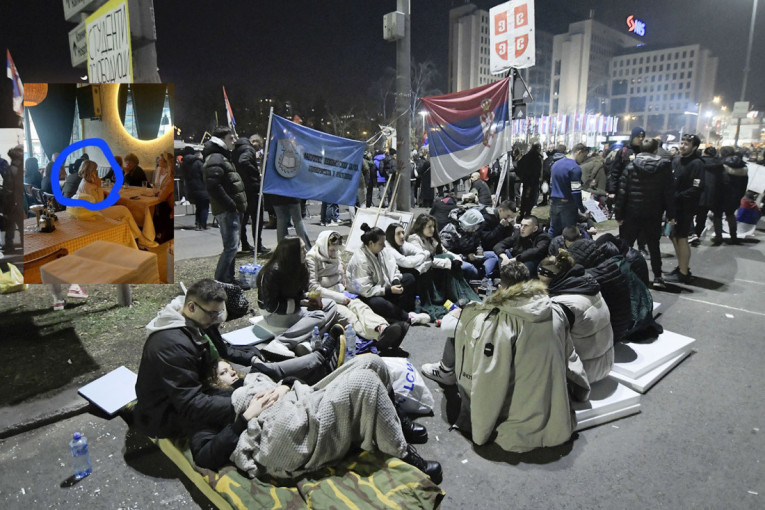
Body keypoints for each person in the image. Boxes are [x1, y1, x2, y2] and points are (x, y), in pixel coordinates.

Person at [134, 278, 344, 445]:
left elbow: (219, 357)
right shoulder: (171, 345)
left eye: (219, 314)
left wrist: (249, 373)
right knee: (261, 409)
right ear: (191, 306)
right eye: (213, 314)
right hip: (166, 415)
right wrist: (244, 404)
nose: (217, 319)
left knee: (262, 384)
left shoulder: (196, 320)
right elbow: (191, 405)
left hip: (203, 388)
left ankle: (318, 369)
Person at [192, 354, 441, 484]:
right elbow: (204, 455)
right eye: (224, 373)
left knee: (371, 362)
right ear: (213, 384)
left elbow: (287, 379)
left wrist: (285, 387)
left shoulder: (252, 379)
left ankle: (398, 422)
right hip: (293, 430)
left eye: (230, 367)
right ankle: (404, 454)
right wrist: (246, 417)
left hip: (303, 400)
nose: (231, 372)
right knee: (364, 383)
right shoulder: (214, 407)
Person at [450, 260, 588, 451]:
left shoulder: (501, 321)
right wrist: (582, 390)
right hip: (558, 415)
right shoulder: (555, 310)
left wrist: (479, 433)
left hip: (520, 424)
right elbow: (570, 356)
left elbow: (490, 378)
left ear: (501, 287)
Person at [420, 260, 531, 385]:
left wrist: (459, 315)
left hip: (490, 377)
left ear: (501, 287)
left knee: (458, 332)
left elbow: (447, 327)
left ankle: (445, 371)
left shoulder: (489, 313)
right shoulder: (540, 309)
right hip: (524, 375)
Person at [306, 230, 408, 352]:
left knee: (361, 308)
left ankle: (382, 328)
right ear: (323, 246)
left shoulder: (335, 254)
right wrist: (339, 298)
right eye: (332, 250)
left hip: (340, 292)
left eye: (336, 250)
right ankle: (377, 337)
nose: (334, 253)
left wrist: (342, 277)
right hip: (326, 298)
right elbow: (314, 287)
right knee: (349, 317)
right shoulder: (312, 258)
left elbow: (339, 271)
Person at [537, 250, 614, 384]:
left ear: (555, 279)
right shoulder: (587, 285)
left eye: (543, 281)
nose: (540, 285)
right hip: (607, 363)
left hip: (584, 374)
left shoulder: (562, 304)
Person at [256, 237, 338, 355]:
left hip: (292, 307)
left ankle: (306, 340)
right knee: (319, 315)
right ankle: (281, 342)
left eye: (305, 248)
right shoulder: (272, 272)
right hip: (274, 314)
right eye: (301, 249)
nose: (306, 251)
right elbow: (271, 306)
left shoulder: (301, 266)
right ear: (291, 252)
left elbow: (299, 293)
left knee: (331, 304)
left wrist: (308, 299)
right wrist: (299, 304)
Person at [613, 138, 675, 288]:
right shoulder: (664, 168)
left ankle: (622, 275)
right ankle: (658, 276)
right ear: (656, 150)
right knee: (654, 246)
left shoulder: (631, 166)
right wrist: (671, 215)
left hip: (631, 212)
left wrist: (618, 214)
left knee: (626, 245)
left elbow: (622, 192)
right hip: (653, 213)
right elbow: (669, 193)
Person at [346, 223, 429, 325]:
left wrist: (395, 281)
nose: (384, 245)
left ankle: (396, 312)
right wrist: (388, 290)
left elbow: (393, 268)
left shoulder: (382, 250)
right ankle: (407, 317)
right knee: (376, 302)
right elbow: (365, 290)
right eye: (381, 243)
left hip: (383, 287)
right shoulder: (360, 260)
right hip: (367, 295)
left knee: (409, 278)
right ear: (371, 243)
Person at [76, 161, 159, 249]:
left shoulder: (84, 182)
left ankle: (136, 241)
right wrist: (99, 187)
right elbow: (101, 204)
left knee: (125, 217)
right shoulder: (88, 186)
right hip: (96, 213)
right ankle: (142, 240)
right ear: (91, 171)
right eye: (95, 170)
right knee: (124, 210)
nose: (96, 171)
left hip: (90, 211)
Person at [203, 126, 248, 284]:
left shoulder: (221, 156)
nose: (234, 141)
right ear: (221, 140)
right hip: (227, 210)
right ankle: (220, 281)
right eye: (231, 138)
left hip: (231, 210)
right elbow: (213, 185)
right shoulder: (216, 157)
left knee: (233, 247)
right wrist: (230, 204)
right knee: (231, 247)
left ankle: (228, 279)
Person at [667, 134, 704, 283]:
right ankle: (681, 267)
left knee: (682, 237)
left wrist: (677, 196)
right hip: (674, 206)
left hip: (685, 207)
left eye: (687, 144)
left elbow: (696, 188)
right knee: (673, 236)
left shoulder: (697, 164)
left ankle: (683, 272)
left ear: (694, 147)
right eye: (682, 143)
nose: (683, 146)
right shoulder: (678, 160)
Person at [232, 135, 269, 254]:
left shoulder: (236, 149)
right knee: (257, 218)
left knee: (244, 218)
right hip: (252, 188)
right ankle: (258, 244)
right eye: (259, 146)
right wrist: (256, 173)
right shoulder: (248, 149)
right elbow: (244, 161)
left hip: (241, 187)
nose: (258, 149)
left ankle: (245, 244)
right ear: (254, 142)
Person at [549, 144, 589, 238]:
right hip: (568, 203)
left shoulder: (555, 164)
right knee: (569, 232)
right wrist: (582, 209)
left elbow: (551, 184)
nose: (584, 159)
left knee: (553, 229)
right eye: (584, 156)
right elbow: (576, 191)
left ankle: (549, 250)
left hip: (554, 201)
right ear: (579, 152)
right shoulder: (575, 168)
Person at [720, 146, 749, 244]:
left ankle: (718, 236)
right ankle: (734, 236)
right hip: (737, 194)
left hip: (723, 193)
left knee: (717, 214)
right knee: (730, 214)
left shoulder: (722, 164)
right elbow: (744, 183)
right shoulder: (743, 166)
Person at [607, 126, 645, 196]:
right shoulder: (624, 151)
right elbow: (615, 171)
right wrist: (612, 190)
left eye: (642, 136)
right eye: (638, 136)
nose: (641, 139)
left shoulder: (644, 152)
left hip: (640, 190)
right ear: (633, 137)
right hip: (624, 189)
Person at [180, 147, 209, 230]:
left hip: (191, 188)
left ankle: (197, 223)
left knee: (198, 206)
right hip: (201, 187)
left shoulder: (184, 164)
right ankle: (202, 224)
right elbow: (204, 174)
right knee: (204, 206)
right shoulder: (198, 162)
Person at [516, 142, 543, 218]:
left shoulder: (526, 157)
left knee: (525, 197)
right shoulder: (536, 158)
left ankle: (522, 212)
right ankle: (527, 212)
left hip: (526, 180)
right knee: (530, 197)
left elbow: (519, 165)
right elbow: (537, 170)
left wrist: (522, 176)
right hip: (532, 181)